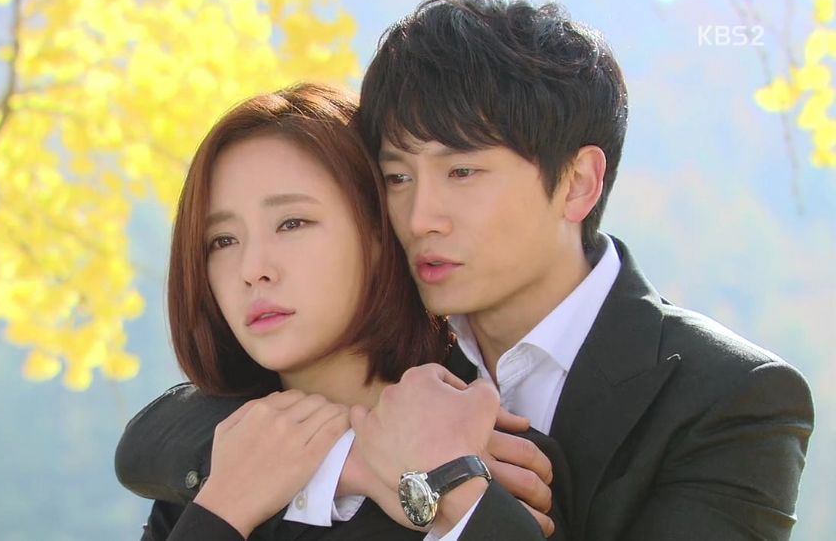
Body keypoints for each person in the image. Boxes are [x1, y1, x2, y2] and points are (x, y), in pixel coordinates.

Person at [117, 0, 814, 540]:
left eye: (463, 172)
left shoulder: (732, 399)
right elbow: (163, 434)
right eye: (396, 178)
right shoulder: (388, 358)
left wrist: (445, 479)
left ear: (577, 183)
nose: (420, 217)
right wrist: (348, 457)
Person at [122, 82, 566, 540]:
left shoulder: (497, 455)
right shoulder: (216, 472)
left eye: (292, 223)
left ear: (380, 232)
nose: (252, 270)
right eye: (223, 241)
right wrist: (227, 507)